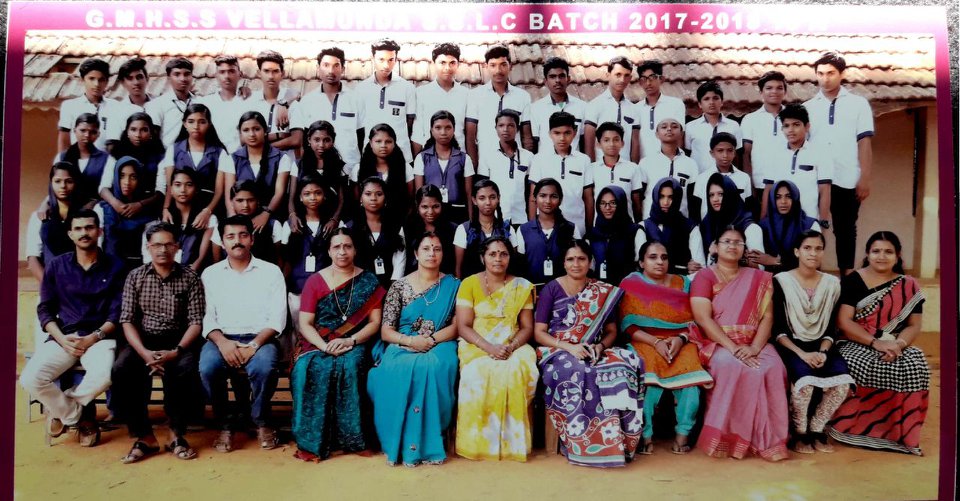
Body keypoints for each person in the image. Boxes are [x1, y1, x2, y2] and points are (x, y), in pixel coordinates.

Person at [20, 209, 125, 446]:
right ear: (70, 234)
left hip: (99, 337)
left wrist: (93, 337)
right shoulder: (57, 266)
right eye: (78, 228)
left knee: (105, 375)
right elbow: (45, 309)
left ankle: (60, 411)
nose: (84, 233)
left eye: (89, 227)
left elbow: (118, 312)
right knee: (30, 379)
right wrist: (60, 338)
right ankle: (77, 415)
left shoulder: (116, 266)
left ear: (99, 231)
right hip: (64, 336)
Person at [534, 240, 643, 467]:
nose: (576, 264)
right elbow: (539, 333)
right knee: (579, 370)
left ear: (590, 262)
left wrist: (600, 347)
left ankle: (616, 443)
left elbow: (612, 331)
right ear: (563, 263)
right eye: (571, 259)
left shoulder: (601, 291)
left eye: (581, 259)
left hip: (593, 348)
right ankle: (580, 443)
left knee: (621, 368)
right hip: (557, 349)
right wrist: (569, 347)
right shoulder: (551, 289)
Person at [689, 226, 789, 461]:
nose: (732, 246)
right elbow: (703, 318)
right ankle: (729, 439)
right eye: (727, 241)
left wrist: (754, 348)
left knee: (774, 367)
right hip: (718, 342)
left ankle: (767, 441)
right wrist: (733, 348)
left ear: (744, 249)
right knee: (732, 366)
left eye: (738, 242)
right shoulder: (705, 276)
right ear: (715, 247)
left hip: (754, 342)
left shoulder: (758, 278)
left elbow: (767, 317)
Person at [112, 222, 205, 463]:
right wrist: (144, 353)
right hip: (143, 340)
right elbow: (127, 320)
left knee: (185, 369)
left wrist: (177, 351)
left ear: (177, 247)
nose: (162, 250)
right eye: (157, 245)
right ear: (148, 247)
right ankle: (145, 437)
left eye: (168, 244)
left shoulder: (190, 277)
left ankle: (176, 434)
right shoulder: (135, 276)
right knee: (123, 368)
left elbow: (196, 321)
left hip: (179, 339)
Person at [829, 231, 929, 455]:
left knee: (915, 363)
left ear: (898, 255)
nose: (881, 256)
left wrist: (899, 344)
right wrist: (875, 343)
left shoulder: (909, 284)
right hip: (855, 340)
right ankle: (853, 428)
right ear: (867, 254)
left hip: (894, 341)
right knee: (863, 364)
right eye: (876, 251)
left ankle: (900, 433)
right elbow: (844, 322)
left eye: (888, 252)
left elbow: (914, 325)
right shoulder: (854, 280)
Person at [291, 228, 386, 461]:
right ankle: (313, 441)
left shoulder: (368, 280)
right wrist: (324, 347)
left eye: (347, 246)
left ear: (355, 250)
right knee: (308, 368)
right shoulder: (315, 281)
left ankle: (354, 440)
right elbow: (305, 323)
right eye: (337, 247)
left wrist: (350, 340)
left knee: (351, 366)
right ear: (329, 251)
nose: (342, 251)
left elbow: (375, 323)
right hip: (317, 342)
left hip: (356, 341)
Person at [368, 231, 461, 466]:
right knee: (397, 367)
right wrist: (411, 341)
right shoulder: (399, 287)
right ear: (416, 254)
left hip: (440, 342)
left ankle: (429, 442)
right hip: (403, 342)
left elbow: (457, 326)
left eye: (437, 249)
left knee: (436, 366)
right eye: (426, 249)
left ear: (443, 254)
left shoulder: (454, 286)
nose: (432, 253)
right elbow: (386, 331)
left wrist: (430, 340)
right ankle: (400, 443)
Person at [199, 215, 287, 452]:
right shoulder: (210, 274)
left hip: (260, 338)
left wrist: (254, 345)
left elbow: (277, 318)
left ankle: (261, 420)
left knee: (264, 368)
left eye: (243, 235)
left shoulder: (271, 272)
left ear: (252, 239)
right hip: (221, 338)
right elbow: (206, 317)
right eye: (230, 236)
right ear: (222, 241)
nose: (237, 241)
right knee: (208, 368)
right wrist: (223, 343)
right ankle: (225, 423)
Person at [620, 241, 713, 455]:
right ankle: (645, 436)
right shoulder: (631, 283)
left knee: (691, 381)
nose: (659, 262)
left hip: (681, 341)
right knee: (647, 380)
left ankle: (682, 435)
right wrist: (655, 342)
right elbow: (627, 324)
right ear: (641, 262)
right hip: (644, 340)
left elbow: (695, 320)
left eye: (664, 257)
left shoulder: (683, 283)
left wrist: (680, 339)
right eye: (652, 257)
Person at [454, 236, 537, 461]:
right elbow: (463, 326)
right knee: (476, 372)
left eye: (503, 254)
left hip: (513, 344)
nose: (498, 259)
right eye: (492, 254)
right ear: (483, 257)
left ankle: (513, 444)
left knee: (518, 368)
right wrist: (489, 347)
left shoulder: (521, 286)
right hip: (476, 343)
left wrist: (510, 346)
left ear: (510, 258)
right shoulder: (469, 284)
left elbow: (527, 327)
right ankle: (478, 444)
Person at [772, 230, 853, 454]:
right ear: (797, 251)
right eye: (807, 248)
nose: (813, 253)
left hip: (822, 345)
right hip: (791, 345)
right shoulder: (782, 281)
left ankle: (817, 429)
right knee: (804, 384)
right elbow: (778, 328)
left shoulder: (832, 284)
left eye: (818, 248)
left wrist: (823, 352)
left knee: (841, 385)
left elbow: (831, 327)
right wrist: (802, 354)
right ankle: (800, 434)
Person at [803, 52, 874, 276]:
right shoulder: (807, 107)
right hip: (815, 179)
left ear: (842, 74)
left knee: (846, 230)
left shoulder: (858, 104)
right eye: (820, 74)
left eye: (831, 73)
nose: (825, 79)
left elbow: (864, 142)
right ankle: (812, 277)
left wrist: (864, 178)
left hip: (847, 177)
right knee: (813, 228)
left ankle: (847, 279)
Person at [288, 47, 364, 177]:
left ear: (343, 69)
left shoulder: (356, 99)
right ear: (318, 68)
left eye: (336, 66)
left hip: (350, 170)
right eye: (326, 65)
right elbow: (304, 140)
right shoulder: (307, 101)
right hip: (317, 172)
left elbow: (362, 136)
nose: (331, 71)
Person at [282, 175, 339, 337]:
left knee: (325, 332)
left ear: (324, 195)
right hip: (298, 288)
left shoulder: (333, 225)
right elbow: (286, 261)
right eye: (307, 194)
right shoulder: (291, 225)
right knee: (299, 332)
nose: (312, 197)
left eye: (317, 193)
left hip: (327, 288)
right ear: (300, 198)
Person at [159, 102, 231, 222]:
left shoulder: (219, 153)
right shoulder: (174, 150)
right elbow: (170, 185)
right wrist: (166, 208)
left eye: (202, 122)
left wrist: (208, 211)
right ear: (184, 124)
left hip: (209, 207)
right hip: (180, 208)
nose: (196, 126)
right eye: (191, 121)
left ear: (209, 124)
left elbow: (219, 191)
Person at [761, 104, 833, 223]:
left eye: (796, 124)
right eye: (786, 126)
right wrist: (763, 220)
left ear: (807, 126)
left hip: (808, 221)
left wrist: (823, 222)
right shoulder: (774, 154)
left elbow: (824, 191)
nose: (790, 130)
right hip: (779, 222)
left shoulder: (820, 154)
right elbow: (768, 189)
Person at [465, 44, 532, 169]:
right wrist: (473, 167)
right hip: (485, 166)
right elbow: (470, 137)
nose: (498, 71)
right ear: (486, 66)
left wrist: (527, 166)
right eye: (493, 65)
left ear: (510, 66)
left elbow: (527, 137)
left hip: (515, 165)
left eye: (503, 64)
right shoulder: (475, 96)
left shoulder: (522, 96)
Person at [527, 111, 594, 235]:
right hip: (545, 229)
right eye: (557, 133)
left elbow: (588, 198)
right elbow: (533, 198)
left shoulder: (584, 160)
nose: (562, 138)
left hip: (577, 227)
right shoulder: (539, 159)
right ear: (549, 134)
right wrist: (532, 230)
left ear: (574, 133)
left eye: (567, 133)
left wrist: (589, 230)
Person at [223, 111, 294, 225]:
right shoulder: (233, 158)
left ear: (265, 130)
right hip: (241, 218)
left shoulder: (281, 158)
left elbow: (279, 192)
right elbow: (229, 195)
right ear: (240, 133)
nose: (251, 134)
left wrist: (266, 214)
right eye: (246, 130)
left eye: (256, 129)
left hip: (272, 216)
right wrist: (234, 220)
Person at [356, 39, 417, 163]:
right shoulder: (361, 89)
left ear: (396, 59)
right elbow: (359, 127)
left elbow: (410, 124)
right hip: (371, 157)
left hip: (401, 157)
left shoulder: (407, 88)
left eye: (391, 60)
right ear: (373, 58)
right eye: (381, 59)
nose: (386, 65)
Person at [25, 163, 87, 282]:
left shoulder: (87, 215)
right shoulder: (38, 217)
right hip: (51, 283)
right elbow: (33, 258)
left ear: (76, 183)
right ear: (51, 183)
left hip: (82, 283)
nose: (63, 186)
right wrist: (49, 286)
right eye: (57, 181)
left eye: (69, 181)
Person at [99, 156, 160, 273]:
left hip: (138, 273)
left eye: (133, 177)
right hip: (108, 272)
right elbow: (97, 247)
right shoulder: (102, 209)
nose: (127, 182)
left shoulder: (148, 213)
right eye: (122, 176)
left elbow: (148, 254)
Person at [516, 178, 580, 287]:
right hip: (533, 291)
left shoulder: (571, 228)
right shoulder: (523, 230)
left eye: (553, 196)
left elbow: (577, 263)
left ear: (560, 200)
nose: (548, 201)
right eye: (543, 196)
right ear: (535, 198)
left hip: (564, 291)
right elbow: (521, 268)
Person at [287, 120, 347, 236]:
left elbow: (342, 200)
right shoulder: (299, 165)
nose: (321, 145)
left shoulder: (339, 166)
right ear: (309, 140)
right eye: (317, 140)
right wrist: (292, 215)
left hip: (330, 217)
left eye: (326, 140)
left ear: (333, 141)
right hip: (305, 216)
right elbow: (292, 197)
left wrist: (334, 220)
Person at [413, 111, 475, 223]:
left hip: (457, 214)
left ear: (454, 129)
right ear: (431, 130)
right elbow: (419, 194)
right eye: (438, 128)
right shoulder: (422, 158)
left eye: (448, 128)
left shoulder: (464, 158)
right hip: (431, 214)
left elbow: (469, 194)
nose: (443, 132)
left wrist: (471, 223)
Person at [691, 174, 764, 267]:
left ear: (730, 194)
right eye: (711, 195)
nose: (715, 199)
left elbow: (760, 267)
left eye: (720, 194)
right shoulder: (707, 224)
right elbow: (703, 265)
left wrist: (723, 254)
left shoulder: (750, 228)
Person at [474, 110, 532, 226]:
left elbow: (530, 192)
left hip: (521, 218)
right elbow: (481, 189)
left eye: (510, 125)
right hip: (495, 219)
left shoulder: (528, 157)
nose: (505, 129)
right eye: (501, 125)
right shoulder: (487, 156)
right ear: (495, 128)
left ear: (517, 128)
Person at [100, 113, 166, 214]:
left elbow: (161, 191)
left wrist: (140, 204)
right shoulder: (117, 153)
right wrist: (116, 203)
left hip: (149, 207)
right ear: (127, 131)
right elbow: (103, 187)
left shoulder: (159, 156)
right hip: (118, 204)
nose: (138, 135)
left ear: (151, 133)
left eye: (144, 130)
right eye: (133, 129)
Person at [348, 177, 406, 288]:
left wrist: (394, 286)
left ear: (385, 198)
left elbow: (400, 259)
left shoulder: (396, 226)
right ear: (360, 198)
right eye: (368, 194)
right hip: (358, 285)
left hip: (389, 285)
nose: (373, 198)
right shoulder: (350, 227)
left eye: (379, 194)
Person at [752, 180, 820, 273]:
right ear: (772, 199)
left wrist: (775, 261)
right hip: (769, 279)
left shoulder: (810, 225)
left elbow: (813, 259)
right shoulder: (762, 226)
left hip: (801, 278)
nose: (783, 201)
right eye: (778, 197)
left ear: (795, 198)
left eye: (788, 196)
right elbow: (758, 260)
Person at [412, 43, 469, 153]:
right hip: (429, 156)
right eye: (442, 63)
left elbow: (469, 133)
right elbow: (417, 133)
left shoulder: (466, 94)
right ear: (434, 63)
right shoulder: (421, 93)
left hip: (459, 156)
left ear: (458, 64)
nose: (447, 68)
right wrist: (418, 160)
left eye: (452, 63)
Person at [636, 177, 699, 275]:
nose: (665, 202)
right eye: (661, 196)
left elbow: (698, 268)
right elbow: (640, 265)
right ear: (655, 197)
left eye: (671, 197)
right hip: (650, 282)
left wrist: (690, 270)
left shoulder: (690, 227)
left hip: (681, 282)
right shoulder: (643, 227)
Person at [57, 58, 122, 152]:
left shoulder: (115, 106)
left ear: (107, 82)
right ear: (82, 80)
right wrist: (64, 160)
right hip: (78, 159)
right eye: (91, 79)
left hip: (107, 159)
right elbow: (64, 141)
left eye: (101, 80)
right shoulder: (69, 106)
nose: (96, 84)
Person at [156, 169, 216, 271]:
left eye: (189, 185)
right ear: (171, 189)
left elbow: (201, 257)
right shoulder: (164, 217)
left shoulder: (207, 219)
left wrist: (188, 274)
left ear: (196, 189)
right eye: (178, 185)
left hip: (195, 271)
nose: (183, 190)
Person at [637, 117, 697, 218]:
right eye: (664, 127)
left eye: (674, 127)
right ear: (657, 134)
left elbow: (692, 199)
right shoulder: (646, 162)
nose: (669, 129)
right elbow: (639, 196)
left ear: (681, 134)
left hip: (681, 222)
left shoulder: (690, 164)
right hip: (651, 221)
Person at [583, 56, 640, 163]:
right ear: (608, 75)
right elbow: (589, 144)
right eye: (618, 74)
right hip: (601, 168)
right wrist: (592, 169)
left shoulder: (633, 109)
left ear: (630, 78)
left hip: (626, 169)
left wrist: (634, 169)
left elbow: (635, 144)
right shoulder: (595, 105)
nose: (622, 80)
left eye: (626, 75)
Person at [454, 179, 514, 279]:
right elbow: (458, 268)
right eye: (482, 198)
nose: (488, 202)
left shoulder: (507, 229)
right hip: (473, 286)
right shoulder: (464, 230)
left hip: (502, 285)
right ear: (474, 200)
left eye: (492, 197)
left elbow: (513, 264)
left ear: (498, 198)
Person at [741, 71, 788, 197]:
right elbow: (746, 155)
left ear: (785, 92)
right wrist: (750, 185)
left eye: (779, 88)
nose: (774, 91)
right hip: (760, 185)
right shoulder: (750, 120)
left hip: (789, 184)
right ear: (761, 92)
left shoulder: (793, 118)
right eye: (769, 88)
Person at [212, 182, 283, 264]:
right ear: (231, 202)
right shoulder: (221, 226)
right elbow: (217, 261)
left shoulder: (273, 225)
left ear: (257, 201)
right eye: (240, 200)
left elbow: (279, 260)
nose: (245, 205)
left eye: (251, 200)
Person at [528, 57, 587, 154]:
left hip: (574, 162)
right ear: (545, 81)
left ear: (568, 79)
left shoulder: (582, 107)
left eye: (561, 76)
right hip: (546, 162)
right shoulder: (536, 109)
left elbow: (584, 141)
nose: (557, 80)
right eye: (552, 77)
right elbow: (534, 143)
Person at [353, 123, 415, 214]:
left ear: (394, 143)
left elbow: (409, 200)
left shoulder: (406, 168)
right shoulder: (358, 169)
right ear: (371, 143)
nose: (383, 145)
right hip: (366, 219)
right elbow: (356, 201)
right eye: (378, 141)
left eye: (388, 142)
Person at [690, 132, 753, 221]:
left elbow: (748, 207)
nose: (725, 155)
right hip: (709, 226)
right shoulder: (702, 178)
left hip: (736, 226)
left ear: (735, 152)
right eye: (720, 151)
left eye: (730, 150)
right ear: (712, 153)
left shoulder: (744, 178)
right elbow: (695, 210)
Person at [55, 113, 114, 207]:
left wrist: (93, 204)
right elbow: (54, 185)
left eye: (93, 132)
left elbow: (106, 188)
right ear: (74, 130)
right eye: (82, 130)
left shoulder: (107, 159)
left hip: (96, 208)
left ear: (98, 134)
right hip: (65, 206)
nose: (87, 135)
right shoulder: (62, 157)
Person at [588, 122, 643, 221]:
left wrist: (638, 225)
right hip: (600, 225)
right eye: (606, 140)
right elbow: (589, 202)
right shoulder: (591, 169)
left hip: (626, 225)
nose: (612, 144)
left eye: (616, 140)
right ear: (598, 144)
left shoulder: (633, 168)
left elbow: (636, 203)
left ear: (622, 143)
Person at [684, 81, 742, 174]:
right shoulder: (690, 127)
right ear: (700, 104)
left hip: (726, 178)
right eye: (706, 99)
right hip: (698, 176)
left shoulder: (733, 125)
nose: (711, 102)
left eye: (715, 98)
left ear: (721, 102)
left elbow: (737, 155)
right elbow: (687, 154)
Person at [635, 59, 686, 161]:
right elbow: (634, 141)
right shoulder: (635, 109)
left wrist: (676, 163)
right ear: (640, 82)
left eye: (652, 77)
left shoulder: (675, 105)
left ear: (661, 79)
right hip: (643, 164)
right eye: (644, 79)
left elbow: (680, 137)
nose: (648, 83)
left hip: (669, 163)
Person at [247, 50, 299, 150]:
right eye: (266, 71)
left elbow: (296, 140)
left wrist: (263, 148)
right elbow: (244, 138)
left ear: (282, 74)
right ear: (259, 73)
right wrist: (279, 135)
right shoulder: (250, 103)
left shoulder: (292, 103)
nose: (271, 76)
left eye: (275, 71)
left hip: (284, 159)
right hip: (256, 159)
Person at [587, 186, 639, 285]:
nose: (607, 208)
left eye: (613, 203)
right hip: (599, 289)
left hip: (627, 288)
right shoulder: (592, 234)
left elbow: (641, 266)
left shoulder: (634, 231)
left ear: (621, 204)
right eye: (603, 203)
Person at [197, 55, 248, 153]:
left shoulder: (248, 102)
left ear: (240, 74)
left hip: (241, 157)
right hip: (212, 157)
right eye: (222, 72)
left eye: (231, 71)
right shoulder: (205, 103)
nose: (227, 76)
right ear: (216, 75)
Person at [101, 57, 153, 149]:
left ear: (147, 78)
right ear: (123, 83)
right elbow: (112, 144)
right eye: (130, 78)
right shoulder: (116, 111)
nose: (136, 82)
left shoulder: (160, 104)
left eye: (139, 77)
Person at [145, 58, 197, 147]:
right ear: (169, 78)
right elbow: (153, 137)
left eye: (187, 74)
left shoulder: (200, 102)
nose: (183, 79)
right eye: (177, 74)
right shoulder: (157, 104)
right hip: (167, 153)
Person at [405, 184, 457, 275]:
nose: (430, 212)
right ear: (417, 206)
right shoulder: (408, 229)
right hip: (416, 277)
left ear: (441, 205)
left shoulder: (452, 229)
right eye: (425, 207)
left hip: (445, 277)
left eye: (435, 206)